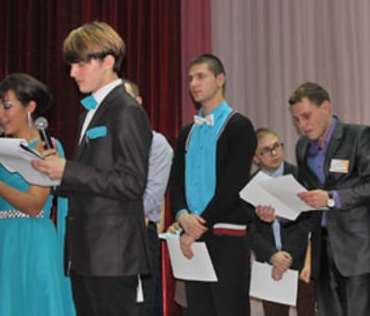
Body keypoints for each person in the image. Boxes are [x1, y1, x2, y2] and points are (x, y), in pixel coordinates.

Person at [32, 21, 153, 316]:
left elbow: (132, 182)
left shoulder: (126, 109)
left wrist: (68, 170)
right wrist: (53, 172)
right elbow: (92, 179)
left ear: (108, 62)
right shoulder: (89, 112)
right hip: (85, 253)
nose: (73, 73)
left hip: (112, 256)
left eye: (81, 64)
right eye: (71, 65)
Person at [0, 73, 75, 316]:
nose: (0, 114)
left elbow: (35, 205)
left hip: (32, 239)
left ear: (30, 106)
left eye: (7, 106)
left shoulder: (46, 147)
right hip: (1, 239)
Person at [288, 81, 370, 316]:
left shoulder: (359, 136)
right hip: (322, 249)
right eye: (296, 119)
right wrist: (281, 211)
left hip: (357, 248)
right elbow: (306, 194)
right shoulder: (302, 147)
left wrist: (332, 198)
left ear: (326, 107)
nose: (302, 125)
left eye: (306, 116)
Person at [168, 53, 257, 316]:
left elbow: (233, 185)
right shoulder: (187, 132)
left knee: (229, 309)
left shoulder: (239, 126)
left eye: (201, 76)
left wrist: (199, 224)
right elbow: (176, 183)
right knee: (198, 309)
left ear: (220, 79)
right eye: (190, 79)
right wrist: (183, 216)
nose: (194, 84)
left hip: (226, 234)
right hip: (192, 234)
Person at [250, 127, 317, 316]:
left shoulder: (300, 177)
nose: (274, 153)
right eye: (266, 151)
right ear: (255, 158)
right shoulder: (251, 185)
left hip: (301, 262)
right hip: (269, 264)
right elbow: (249, 229)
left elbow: (308, 221)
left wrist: (287, 256)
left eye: (276, 146)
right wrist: (273, 255)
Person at [122, 79, 173, 316]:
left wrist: (110, 211)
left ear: (138, 102)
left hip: (138, 234)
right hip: (104, 236)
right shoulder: (102, 143)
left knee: (139, 308)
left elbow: (151, 197)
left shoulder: (156, 144)